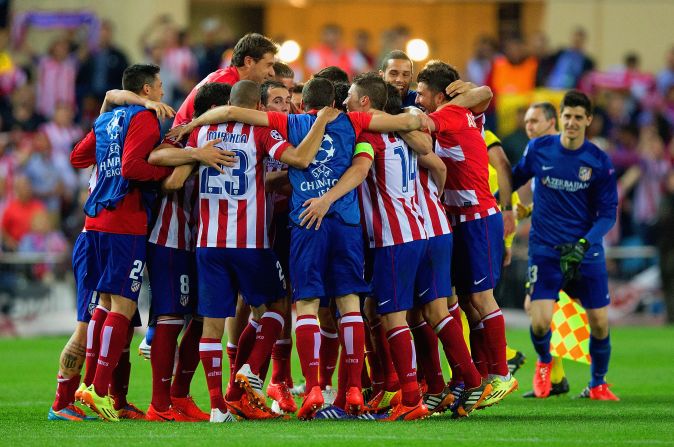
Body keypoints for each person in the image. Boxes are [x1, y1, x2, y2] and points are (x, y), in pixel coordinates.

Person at [171, 76, 428, 419]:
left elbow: (234, 111)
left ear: (303, 102)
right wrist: (417, 116)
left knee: (304, 304)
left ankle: (312, 390)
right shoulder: (355, 122)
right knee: (349, 303)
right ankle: (352, 389)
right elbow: (402, 127)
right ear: (335, 102)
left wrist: (195, 123)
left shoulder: (288, 121)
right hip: (346, 223)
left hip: (303, 222)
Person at [181, 80, 338, 422]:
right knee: (278, 304)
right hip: (251, 242)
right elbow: (299, 158)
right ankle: (251, 369)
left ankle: (218, 408)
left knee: (212, 325)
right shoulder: (261, 133)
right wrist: (322, 122)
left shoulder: (203, 134)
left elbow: (176, 171)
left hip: (208, 243)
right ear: (258, 105)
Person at [70, 64, 174, 421]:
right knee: (125, 306)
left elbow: (78, 157)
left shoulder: (107, 119)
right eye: (159, 86)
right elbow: (132, 169)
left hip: (94, 220)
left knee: (105, 302)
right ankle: (99, 389)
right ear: (146, 89)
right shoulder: (144, 118)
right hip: (124, 221)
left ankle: (88, 385)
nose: (162, 92)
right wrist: (164, 173)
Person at [415, 61, 518, 412]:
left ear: (441, 95)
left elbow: (419, 123)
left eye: (421, 92)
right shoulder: (464, 111)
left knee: (482, 297)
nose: (417, 97)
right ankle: (474, 378)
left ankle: (501, 374)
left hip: (478, 218)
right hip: (457, 220)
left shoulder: (451, 115)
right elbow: (484, 93)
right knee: (466, 300)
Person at [511, 90, 619, 401]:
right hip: (545, 249)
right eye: (567, 116)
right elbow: (516, 177)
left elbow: (608, 214)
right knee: (541, 320)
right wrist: (503, 205)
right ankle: (545, 362)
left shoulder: (598, 161)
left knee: (598, 323)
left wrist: (585, 243)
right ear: (560, 118)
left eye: (577, 117)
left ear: (588, 121)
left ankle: (598, 383)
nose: (571, 122)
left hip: (586, 252)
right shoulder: (540, 149)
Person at [172, 33, 277, 128]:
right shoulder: (224, 84)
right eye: (268, 65)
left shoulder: (231, 80)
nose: (272, 73)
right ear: (248, 62)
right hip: (184, 142)